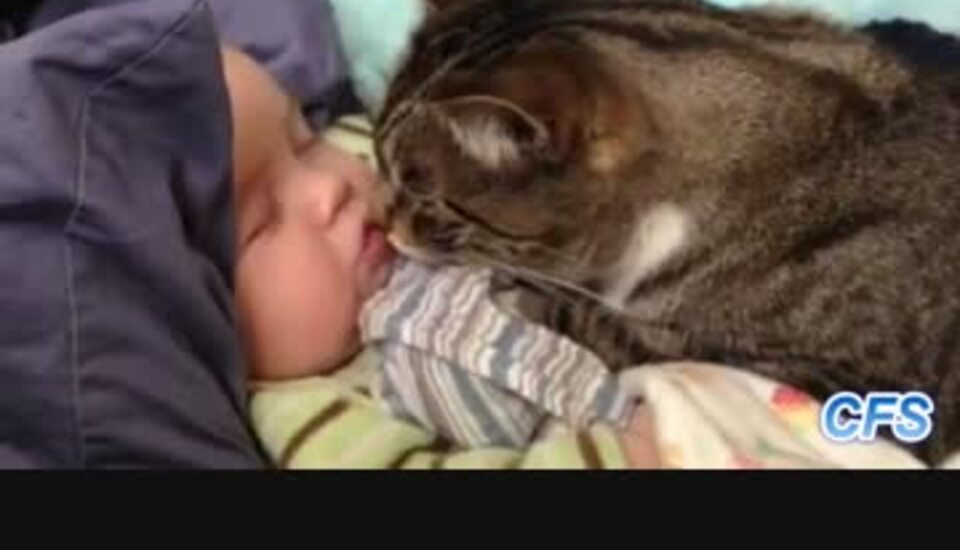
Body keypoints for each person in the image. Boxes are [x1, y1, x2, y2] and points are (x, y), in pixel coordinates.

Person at [221, 44, 663, 469]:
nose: (328, 187)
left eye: (303, 139)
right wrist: (630, 456)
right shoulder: (312, 418)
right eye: (263, 221)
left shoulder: (373, 158)